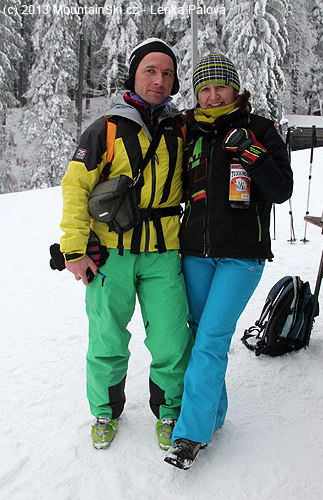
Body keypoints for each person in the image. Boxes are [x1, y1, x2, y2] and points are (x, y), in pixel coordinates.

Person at [60, 38, 193, 450]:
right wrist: (73, 249)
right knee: (108, 337)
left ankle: (170, 411)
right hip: (110, 255)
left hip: (163, 252)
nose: (159, 80)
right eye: (150, 70)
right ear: (134, 74)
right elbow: (76, 188)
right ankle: (104, 410)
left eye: (167, 73)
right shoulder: (107, 128)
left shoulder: (181, 128)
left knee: (172, 337)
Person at [164, 54, 293, 469]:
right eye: (205, 88)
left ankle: (189, 435)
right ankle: (213, 416)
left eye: (221, 87)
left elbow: (281, 189)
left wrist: (251, 152)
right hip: (195, 254)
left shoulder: (260, 129)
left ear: (236, 90)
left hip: (242, 255)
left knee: (213, 338)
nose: (213, 95)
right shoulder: (190, 133)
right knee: (200, 334)